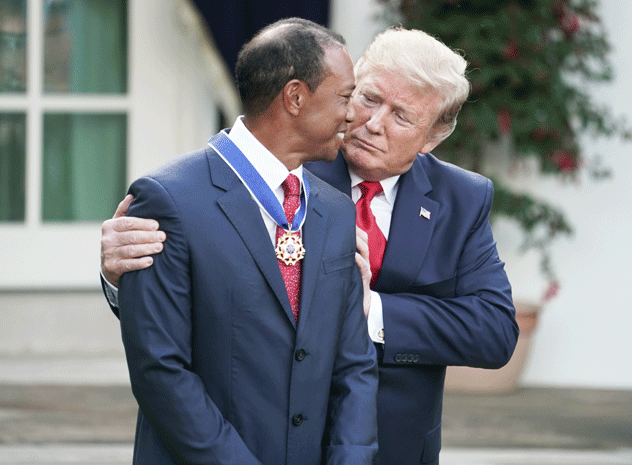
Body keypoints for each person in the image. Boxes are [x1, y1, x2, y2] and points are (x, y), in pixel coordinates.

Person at [102, 26, 519, 465]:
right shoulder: (283, 164)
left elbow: (494, 330)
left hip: (392, 446)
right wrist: (120, 276)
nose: (372, 124)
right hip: (251, 440)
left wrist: (368, 310)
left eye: (401, 116)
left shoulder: (462, 198)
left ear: (433, 137)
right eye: (368, 98)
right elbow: (192, 305)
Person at [105, 18, 378, 465]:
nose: (354, 115)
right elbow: (161, 371)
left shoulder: (335, 209)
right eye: (346, 97)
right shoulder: (167, 200)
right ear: (294, 97)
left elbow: (354, 365)